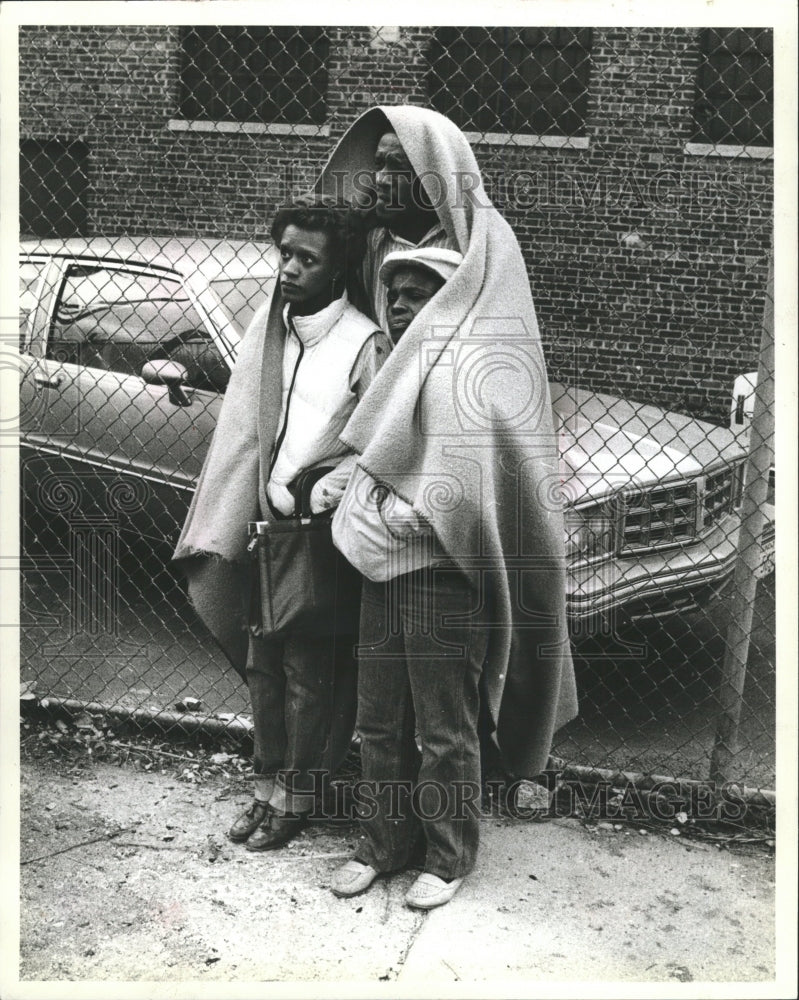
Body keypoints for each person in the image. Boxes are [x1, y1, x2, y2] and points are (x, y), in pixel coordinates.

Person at [315, 106, 579, 909]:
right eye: (383, 163)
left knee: (442, 722)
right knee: (378, 712)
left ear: (445, 168)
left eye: (409, 163)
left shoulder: (486, 260)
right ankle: (381, 842)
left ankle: (447, 853)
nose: (393, 177)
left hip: (441, 553)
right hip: (381, 548)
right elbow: (383, 401)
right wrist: (354, 481)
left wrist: (433, 503)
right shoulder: (391, 255)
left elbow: (487, 411)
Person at [172, 195, 391, 851]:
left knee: (309, 675)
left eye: (307, 259)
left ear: (338, 267)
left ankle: (300, 794)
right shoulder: (274, 330)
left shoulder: (363, 342)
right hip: (261, 523)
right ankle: (267, 784)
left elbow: (376, 442)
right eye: (284, 254)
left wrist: (327, 482)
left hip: (317, 535)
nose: (289, 269)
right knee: (263, 666)